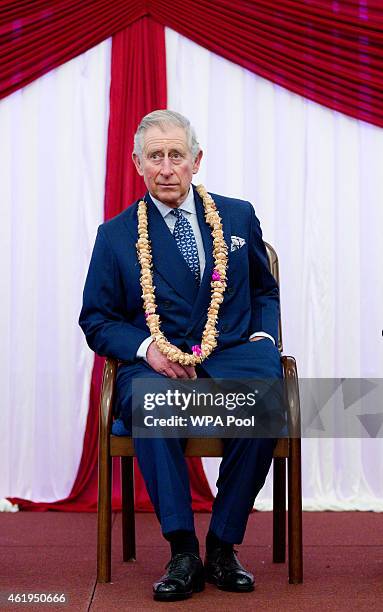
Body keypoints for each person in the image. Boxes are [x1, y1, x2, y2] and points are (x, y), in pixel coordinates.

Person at [79, 110, 284, 602]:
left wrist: (262, 338)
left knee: (268, 398)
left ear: (196, 160)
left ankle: (222, 544)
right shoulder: (115, 235)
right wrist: (146, 349)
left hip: (233, 351)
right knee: (152, 405)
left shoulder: (237, 216)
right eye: (155, 157)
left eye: (176, 155)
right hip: (158, 363)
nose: (166, 167)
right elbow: (97, 319)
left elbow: (263, 291)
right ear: (137, 164)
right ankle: (183, 549)